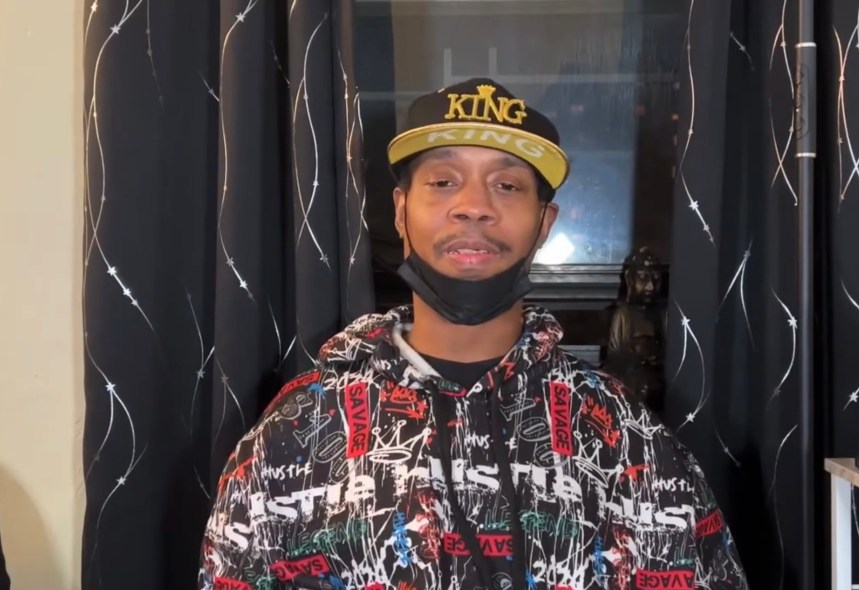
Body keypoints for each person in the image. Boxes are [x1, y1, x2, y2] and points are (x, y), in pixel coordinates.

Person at [198, 78, 748, 590]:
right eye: (443, 182)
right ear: (400, 211)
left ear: (544, 223)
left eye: (507, 185)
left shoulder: (624, 433)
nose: (474, 207)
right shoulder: (299, 428)